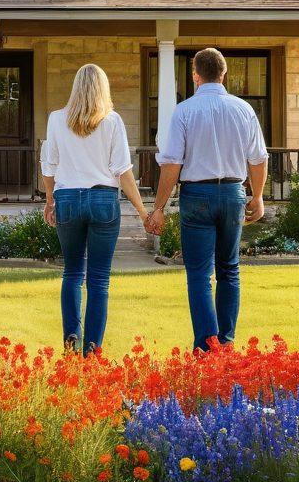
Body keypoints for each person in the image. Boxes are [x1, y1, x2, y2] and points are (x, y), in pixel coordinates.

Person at [148, 48, 268, 351]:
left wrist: (159, 207)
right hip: (232, 193)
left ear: (195, 76)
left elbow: (172, 164)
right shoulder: (243, 109)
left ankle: (206, 346)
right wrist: (258, 196)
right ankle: (225, 343)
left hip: (197, 195)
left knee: (200, 274)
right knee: (229, 269)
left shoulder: (184, 111)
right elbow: (258, 158)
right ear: (224, 74)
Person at [41, 63, 155, 354]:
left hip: (68, 199)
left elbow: (49, 166)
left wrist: (50, 200)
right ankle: (92, 350)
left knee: (72, 272)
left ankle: (71, 340)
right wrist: (143, 211)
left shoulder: (56, 119)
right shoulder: (112, 121)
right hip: (103, 200)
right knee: (99, 279)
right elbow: (123, 171)